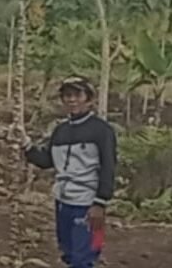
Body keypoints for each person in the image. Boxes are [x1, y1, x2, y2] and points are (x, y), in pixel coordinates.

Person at [23, 76, 118, 268]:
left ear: (88, 99)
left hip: (88, 204)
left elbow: (108, 166)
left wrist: (100, 203)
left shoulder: (101, 130)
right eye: (67, 95)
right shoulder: (61, 131)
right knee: (67, 252)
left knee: (83, 257)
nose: (72, 100)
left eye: (77, 95)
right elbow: (48, 161)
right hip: (63, 201)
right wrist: (26, 146)